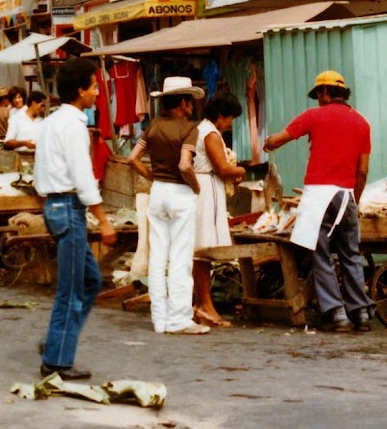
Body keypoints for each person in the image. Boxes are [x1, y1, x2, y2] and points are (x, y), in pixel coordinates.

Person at [263, 70, 373, 332]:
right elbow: (363, 171)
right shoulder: (362, 123)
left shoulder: (313, 116)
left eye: (319, 95)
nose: (318, 100)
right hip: (346, 196)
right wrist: (355, 201)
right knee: (350, 254)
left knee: (321, 253)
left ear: (325, 93)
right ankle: (361, 313)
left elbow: (279, 139)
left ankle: (336, 313)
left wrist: (268, 143)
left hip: (318, 196)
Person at [35, 58, 117, 379]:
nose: (97, 92)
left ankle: (57, 342)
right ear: (81, 90)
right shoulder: (72, 126)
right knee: (70, 291)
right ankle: (56, 361)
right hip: (68, 208)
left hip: (57, 208)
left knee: (90, 281)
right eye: (95, 86)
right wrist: (104, 219)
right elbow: (83, 177)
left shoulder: (53, 122)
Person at [127, 77, 209, 336]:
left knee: (158, 255)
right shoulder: (189, 129)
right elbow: (185, 165)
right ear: (183, 102)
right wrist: (195, 186)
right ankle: (179, 319)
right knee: (180, 258)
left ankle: (160, 320)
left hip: (158, 192)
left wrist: (150, 175)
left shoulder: (152, 127)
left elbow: (132, 158)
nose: (192, 107)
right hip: (180, 193)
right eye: (190, 102)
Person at [191, 91, 246, 328]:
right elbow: (222, 168)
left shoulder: (201, 129)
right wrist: (240, 170)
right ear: (221, 115)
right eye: (231, 118)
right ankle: (205, 306)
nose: (231, 123)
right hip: (207, 190)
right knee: (204, 251)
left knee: (200, 252)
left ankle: (199, 304)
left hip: (203, 188)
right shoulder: (210, 133)